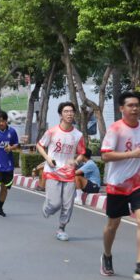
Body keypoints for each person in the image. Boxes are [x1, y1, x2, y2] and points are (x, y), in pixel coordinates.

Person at [100, 91, 140, 280]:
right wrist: (131, 154)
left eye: (137, 105)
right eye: (130, 105)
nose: (135, 109)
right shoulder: (115, 129)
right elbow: (105, 155)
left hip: (138, 182)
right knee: (112, 225)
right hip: (117, 183)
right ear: (121, 108)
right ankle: (107, 255)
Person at [37, 102, 86, 242]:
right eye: (66, 111)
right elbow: (40, 145)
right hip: (53, 171)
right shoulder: (52, 131)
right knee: (55, 204)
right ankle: (48, 207)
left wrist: (76, 161)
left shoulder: (78, 135)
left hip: (69, 173)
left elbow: (82, 153)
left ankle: (61, 228)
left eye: (71, 111)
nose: (69, 114)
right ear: (60, 115)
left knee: (68, 204)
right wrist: (47, 158)